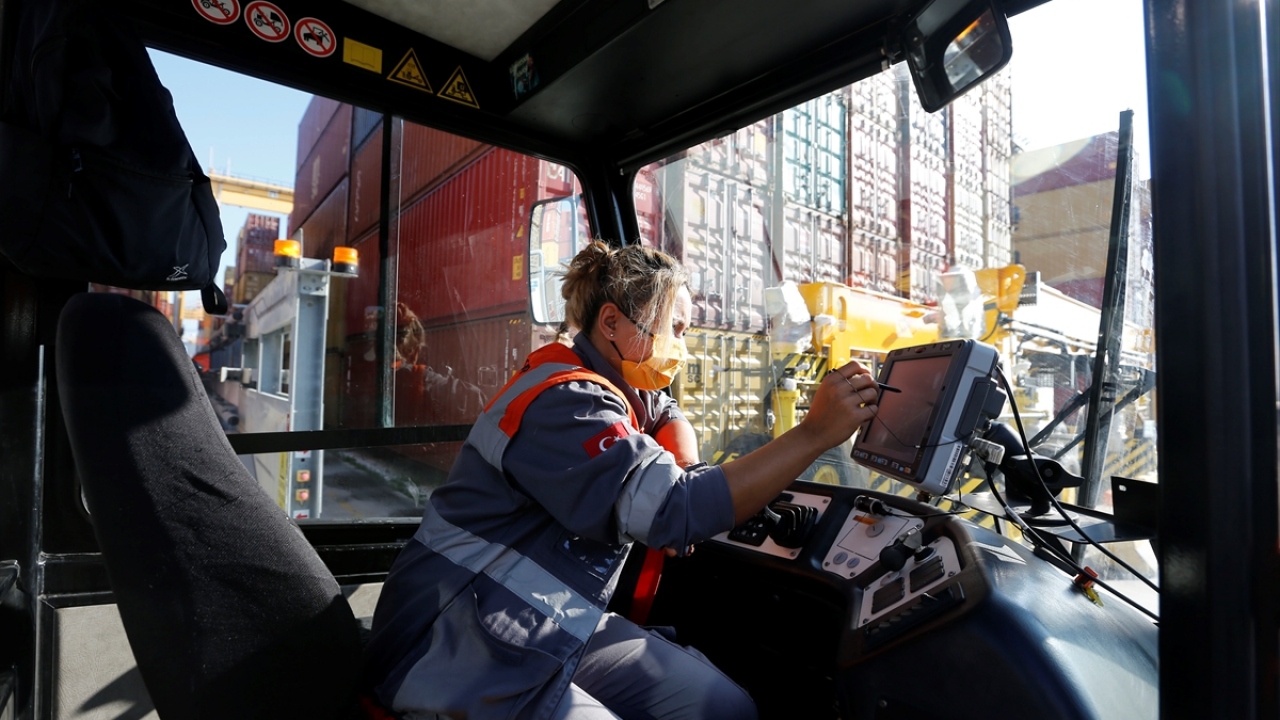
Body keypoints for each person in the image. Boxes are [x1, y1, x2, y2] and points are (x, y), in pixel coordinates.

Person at [365, 241, 880, 720]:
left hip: (545, 627)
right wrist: (814, 433)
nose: (683, 344)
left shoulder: (613, 382)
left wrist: (685, 460)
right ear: (611, 322)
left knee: (723, 707)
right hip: (456, 644)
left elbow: (662, 409)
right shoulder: (566, 401)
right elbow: (678, 512)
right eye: (674, 329)